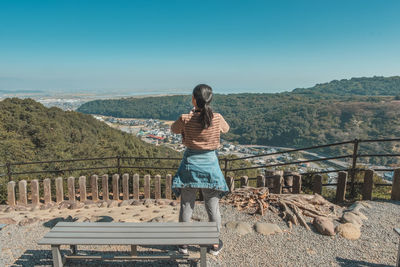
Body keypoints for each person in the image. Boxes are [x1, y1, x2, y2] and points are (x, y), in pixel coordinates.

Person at [170, 84, 229, 256]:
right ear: (210, 99)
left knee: (186, 206)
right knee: (213, 207)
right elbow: (226, 129)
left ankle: (183, 245)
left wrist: (190, 115)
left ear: (194, 100)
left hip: (190, 167)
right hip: (210, 166)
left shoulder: (185, 118)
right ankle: (214, 245)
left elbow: (173, 129)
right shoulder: (216, 118)